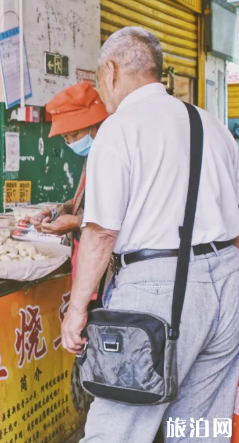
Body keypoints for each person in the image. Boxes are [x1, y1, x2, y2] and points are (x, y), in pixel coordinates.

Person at [60, 27, 239, 442]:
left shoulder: (119, 129)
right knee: (199, 427)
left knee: (117, 429)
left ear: (111, 71)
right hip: (228, 283)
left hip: (155, 288)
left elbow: (102, 232)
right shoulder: (211, 125)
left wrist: (77, 311)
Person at [28, 82, 109, 290]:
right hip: (87, 251)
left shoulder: (114, 155)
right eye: (66, 138)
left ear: (96, 124)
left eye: (75, 135)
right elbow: (87, 198)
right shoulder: (93, 155)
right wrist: (60, 210)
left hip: (107, 259)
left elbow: (117, 213)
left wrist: (74, 221)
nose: (71, 142)